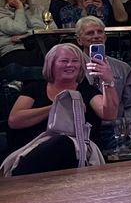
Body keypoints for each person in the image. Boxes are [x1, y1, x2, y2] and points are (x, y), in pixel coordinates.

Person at [4, 43, 117, 175]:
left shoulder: (87, 90)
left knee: (65, 142)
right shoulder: (35, 88)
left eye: (75, 61)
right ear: (51, 64)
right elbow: (14, 120)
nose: (70, 65)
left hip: (76, 157)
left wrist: (108, 82)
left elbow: (109, 114)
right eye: (64, 61)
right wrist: (58, 106)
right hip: (33, 156)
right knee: (61, 141)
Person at [74, 16, 131, 151]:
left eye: (100, 32)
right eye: (90, 33)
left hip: (116, 128)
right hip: (85, 128)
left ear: (105, 36)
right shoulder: (73, 67)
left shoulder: (122, 68)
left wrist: (128, 126)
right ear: (79, 40)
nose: (96, 36)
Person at [0, 0, 45, 69]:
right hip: (14, 51)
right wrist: (19, 8)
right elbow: (19, 29)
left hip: (39, 48)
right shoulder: (1, 12)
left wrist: (27, 36)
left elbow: (53, 30)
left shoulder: (39, 9)